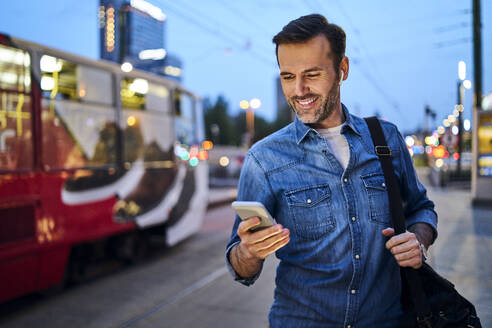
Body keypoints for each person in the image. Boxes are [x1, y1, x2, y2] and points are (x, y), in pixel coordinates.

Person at [225, 14, 437, 328]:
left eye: (312, 74)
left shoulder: (386, 139)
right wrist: (249, 252)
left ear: (342, 70)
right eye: (287, 76)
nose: (299, 90)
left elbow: (421, 209)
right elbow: (239, 266)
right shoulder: (263, 159)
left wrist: (418, 241)